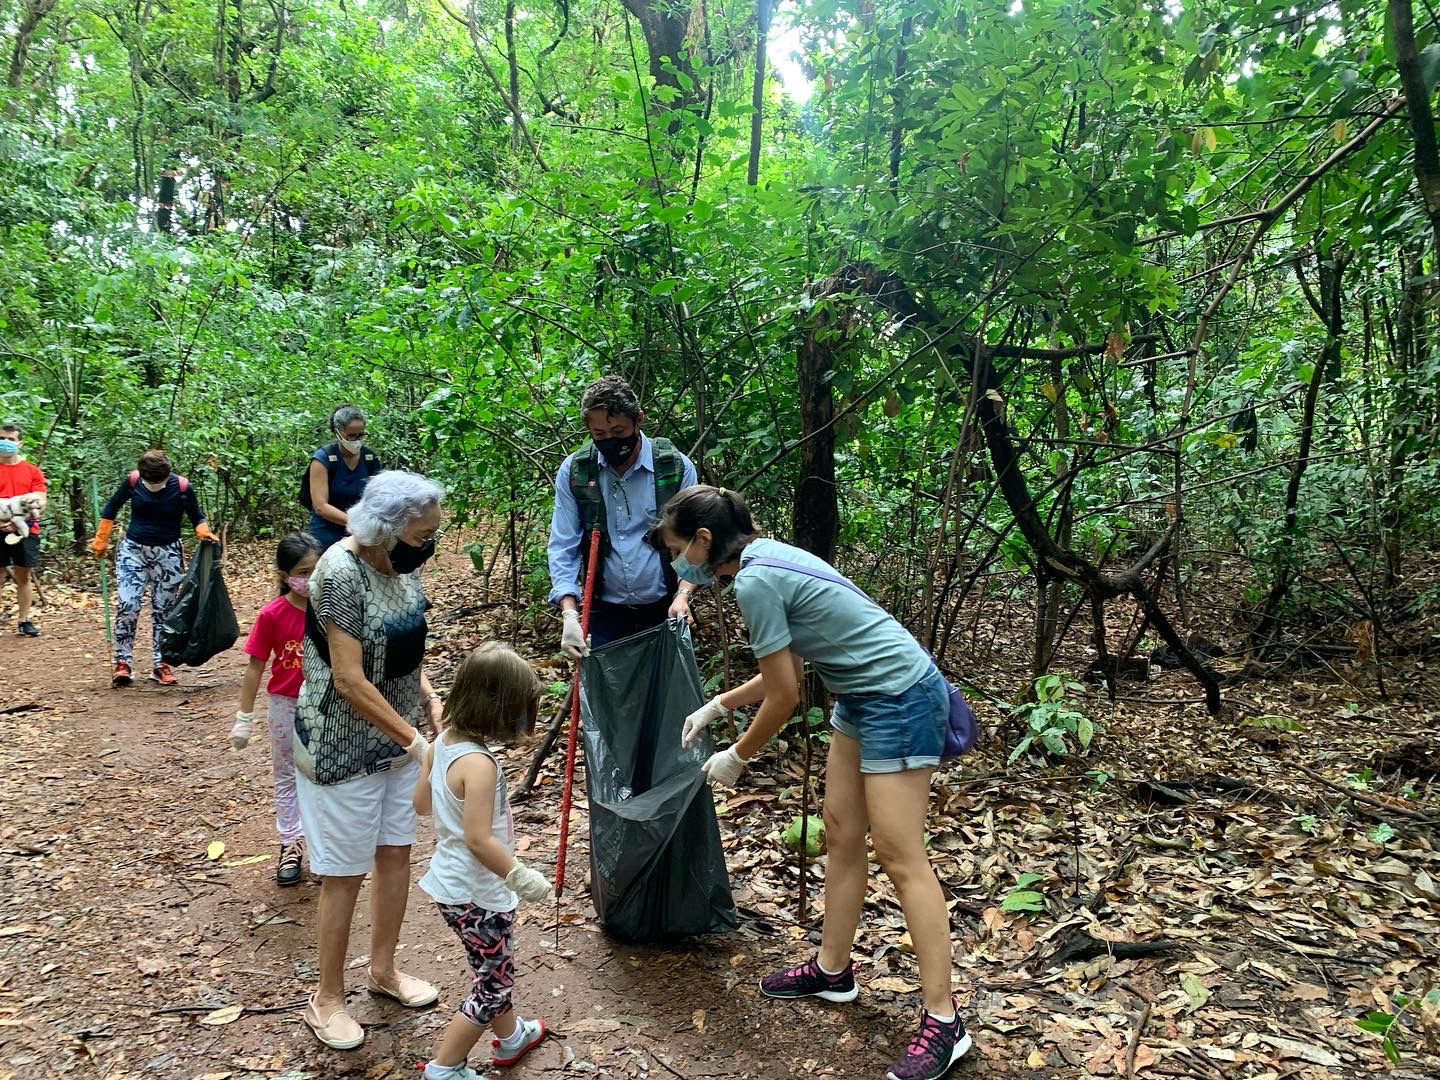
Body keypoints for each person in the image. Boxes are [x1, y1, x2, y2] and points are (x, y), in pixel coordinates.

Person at [652, 486, 972, 1080]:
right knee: (843, 834)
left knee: (902, 856)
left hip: (900, 697)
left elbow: (785, 696)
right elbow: (787, 667)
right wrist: (721, 704)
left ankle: (945, 1019)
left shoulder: (753, 581)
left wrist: (737, 757)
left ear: (702, 542)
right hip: (859, 694)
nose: (676, 565)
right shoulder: (764, 558)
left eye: (676, 550)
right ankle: (833, 970)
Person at [291, 470, 446, 1050]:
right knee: (343, 871)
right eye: (422, 534)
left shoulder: (404, 572)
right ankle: (326, 998)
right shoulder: (338, 573)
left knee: (394, 855)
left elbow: (406, 649)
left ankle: (383, 971)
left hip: (401, 737)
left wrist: (429, 698)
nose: (429, 544)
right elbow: (349, 679)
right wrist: (415, 740)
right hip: (341, 742)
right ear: (385, 529)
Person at [413, 642, 553, 1080]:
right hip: (479, 894)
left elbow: (421, 804)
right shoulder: (479, 763)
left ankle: (511, 1037)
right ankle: (444, 1067)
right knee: (492, 985)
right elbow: (478, 838)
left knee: (490, 967)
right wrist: (521, 876)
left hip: (452, 888)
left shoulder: (443, 744)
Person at [546, 375, 699, 656]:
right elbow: (563, 545)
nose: (611, 441)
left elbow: (695, 540)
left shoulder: (674, 468)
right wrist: (569, 613)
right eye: (600, 435)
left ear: (638, 420)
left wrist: (683, 594)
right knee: (609, 696)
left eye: (618, 432)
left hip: (667, 606)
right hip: (603, 610)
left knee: (666, 695)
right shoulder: (577, 472)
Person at [231, 532, 325, 887]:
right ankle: (290, 843)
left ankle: (321, 849)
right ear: (285, 575)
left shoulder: (330, 608)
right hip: (285, 705)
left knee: (321, 775)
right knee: (288, 774)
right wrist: (244, 717)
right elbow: (255, 665)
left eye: (316, 569)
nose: (310, 578)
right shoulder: (272, 614)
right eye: (303, 571)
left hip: (324, 705)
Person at [92, 450, 216, 687]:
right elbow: (111, 507)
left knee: (164, 611)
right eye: (151, 481)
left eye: (159, 481)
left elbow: (196, 516)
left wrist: (203, 531)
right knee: (128, 604)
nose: (155, 485)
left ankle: (161, 663)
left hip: (168, 554)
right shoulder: (133, 481)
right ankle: (123, 662)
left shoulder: (181, 487)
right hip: (133, 551)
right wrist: (102, 537)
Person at [305, 405, 384, 549]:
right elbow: (320, 506)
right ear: (338, 433)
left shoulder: (369, 458)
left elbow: (377, 496)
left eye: (361, 435)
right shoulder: (323, 459)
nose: (357, 440)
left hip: (361, 534)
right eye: (352, 435)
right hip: (327, 533)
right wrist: (355, 523)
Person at [0, 422, 47, 637]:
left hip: (26, 529)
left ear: (20, 442)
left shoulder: (32, 471)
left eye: (11, 439)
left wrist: (20, 522)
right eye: (2, 438)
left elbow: (40, 502)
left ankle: (24, 620)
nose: (5, 443)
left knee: (23, 574)